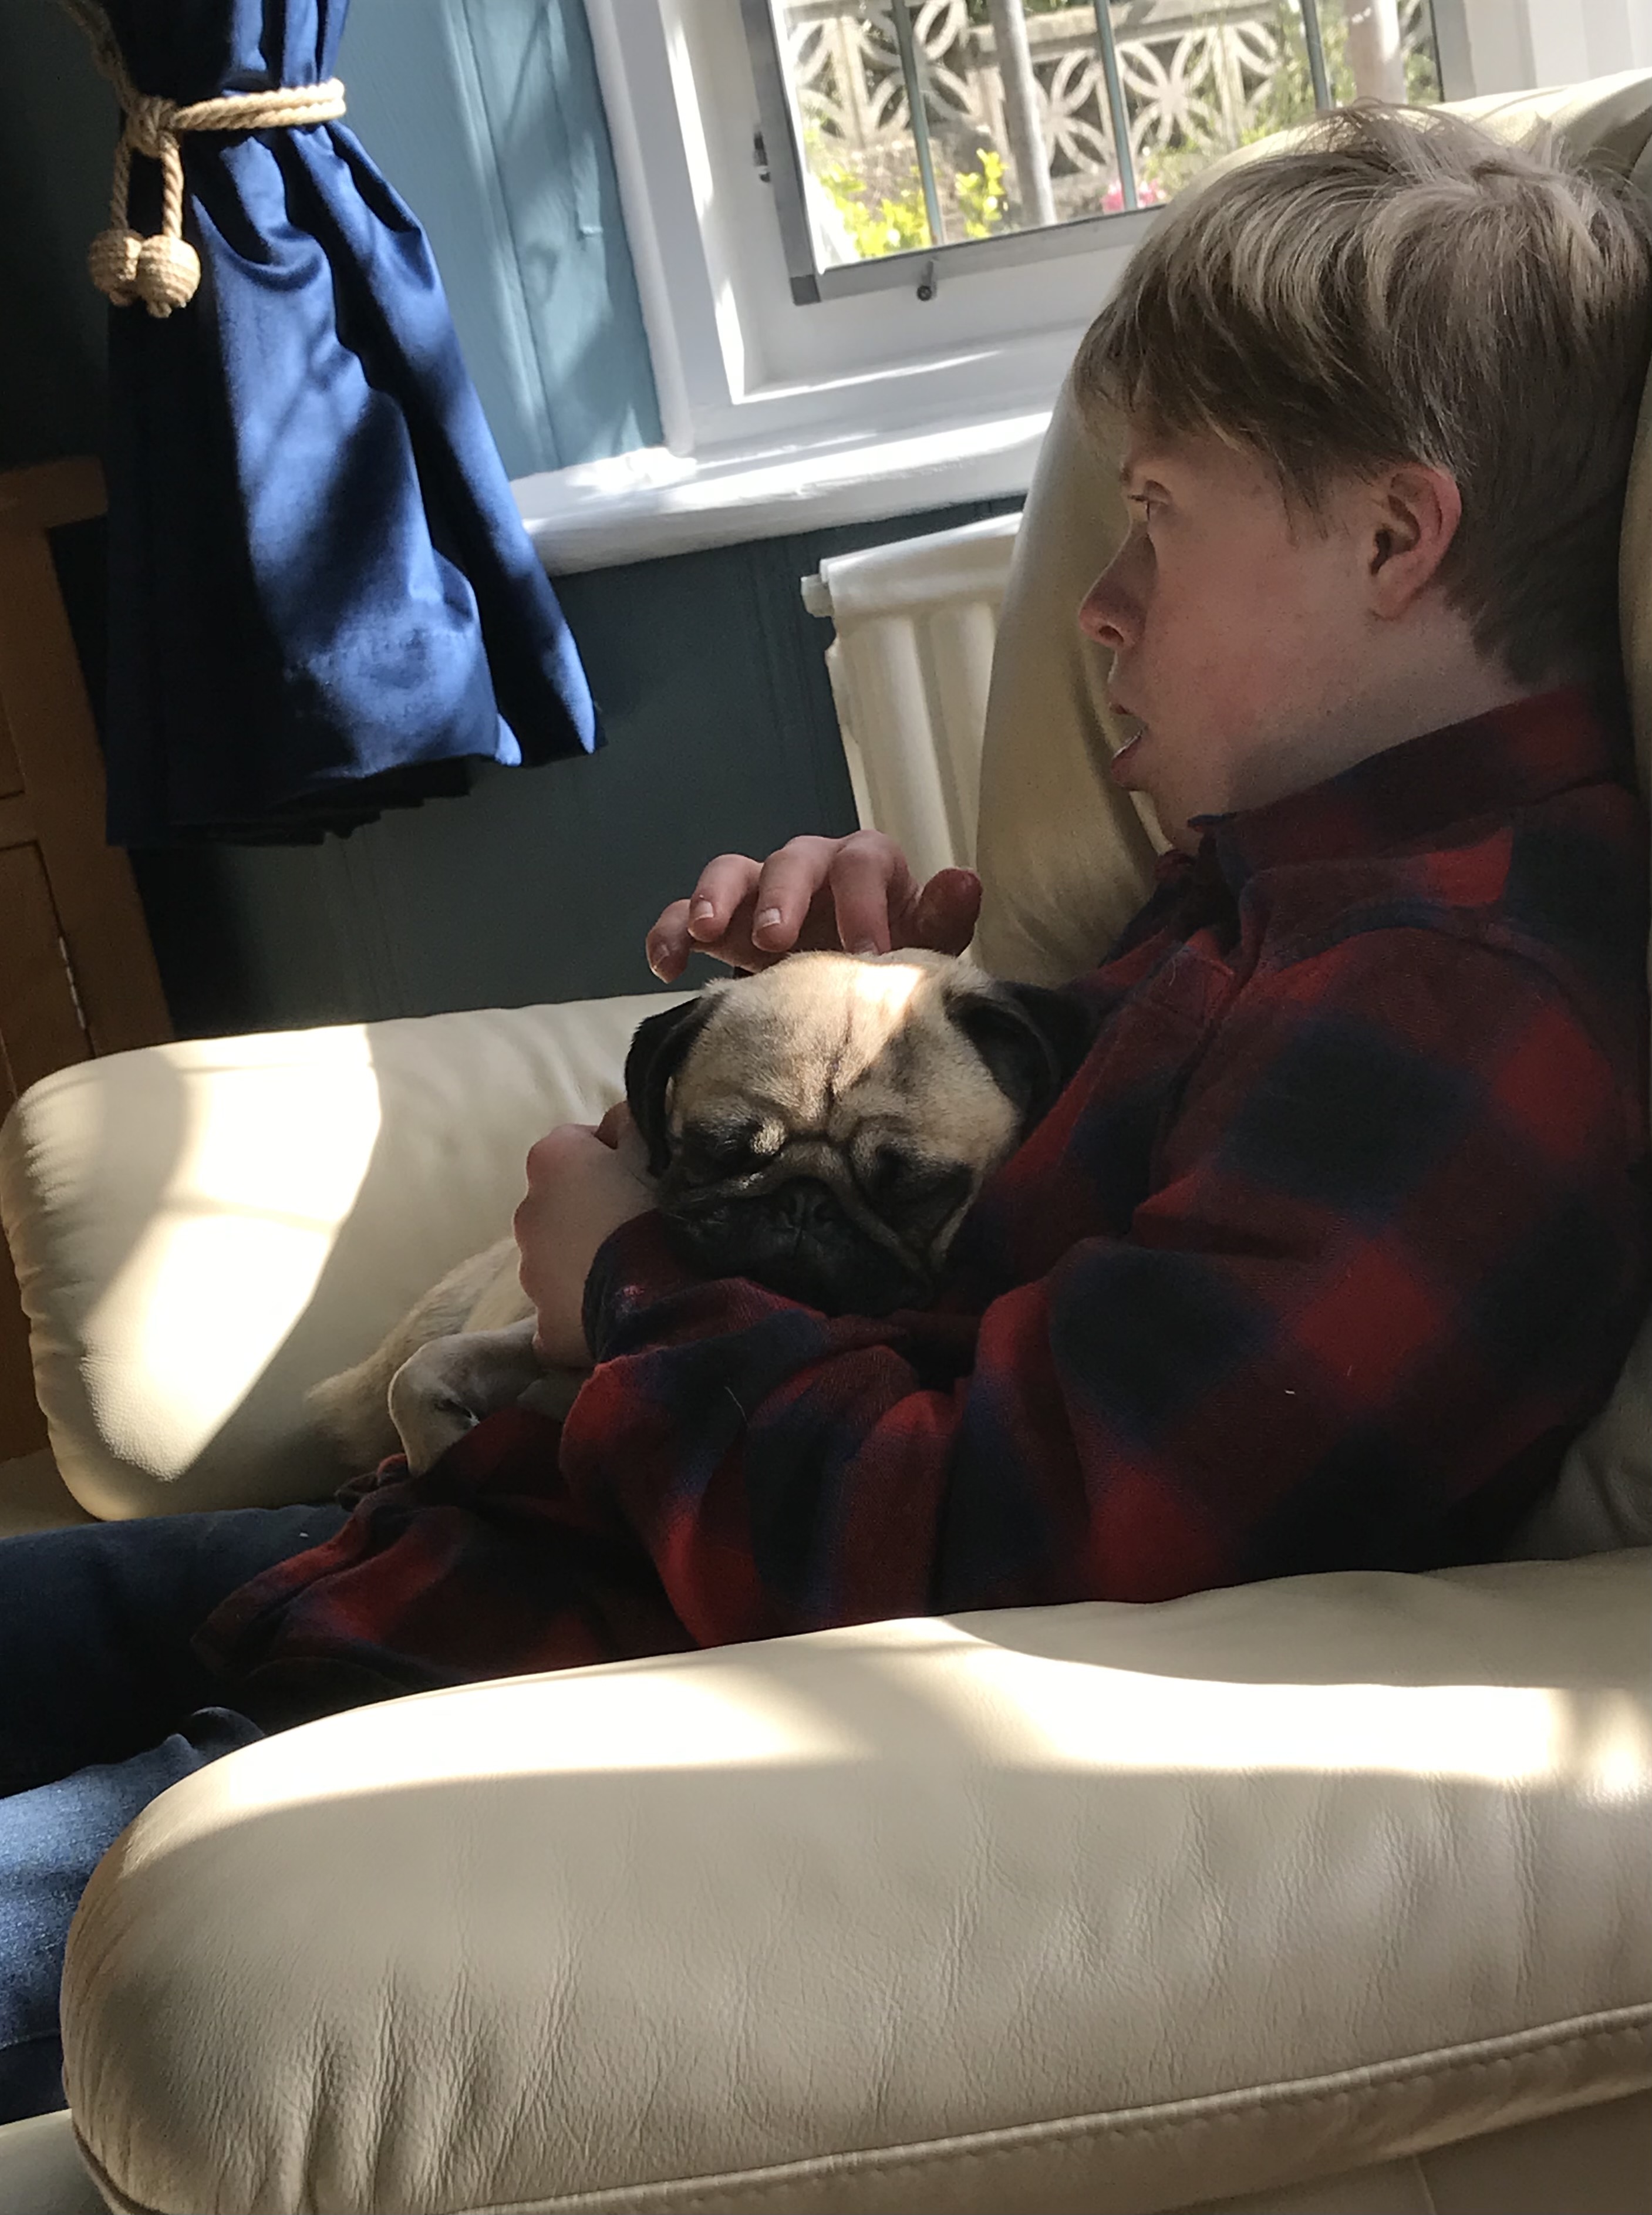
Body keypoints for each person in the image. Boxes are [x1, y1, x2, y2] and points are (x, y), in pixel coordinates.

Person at [4, 101, 1651, 2125]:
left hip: (531, 1697)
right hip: (452, 1559)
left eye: (1157, 520)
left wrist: (624, 1285)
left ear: (1402, 537)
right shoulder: (1273, 900)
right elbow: (993, 1259)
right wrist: (886, 1003)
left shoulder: (1463, 1014)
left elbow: (990, 1548)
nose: (1098, 605)